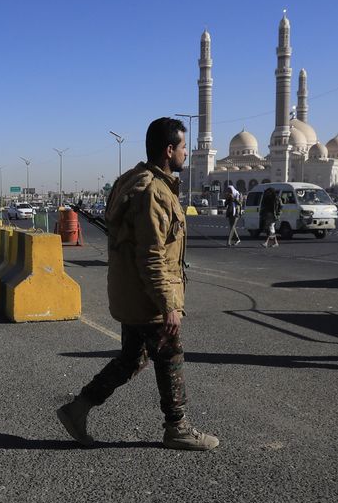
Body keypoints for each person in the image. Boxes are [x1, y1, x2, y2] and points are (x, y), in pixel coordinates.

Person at [56, 117, 219, 451]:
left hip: (132, 293)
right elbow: (152, 255)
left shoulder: (138, 181)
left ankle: (78, 409)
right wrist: (168, 305)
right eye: (184, 148)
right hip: (147, 298)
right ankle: (178, 427)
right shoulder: (153, 193)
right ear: (168, 150)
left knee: (133, 359)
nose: (186, 154)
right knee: (171, 355)